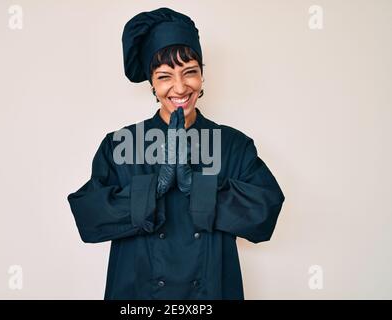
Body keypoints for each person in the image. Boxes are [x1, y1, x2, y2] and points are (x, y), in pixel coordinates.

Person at [67, 7, 285, 300]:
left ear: (203, 76)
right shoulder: (119, 144)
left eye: (190, 72)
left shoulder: (232, 144)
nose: (180, 87)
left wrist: (198, 187)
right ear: (153, 84)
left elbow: (264, 212)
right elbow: (89, 217)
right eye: (165, 76)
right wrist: (152, 190)